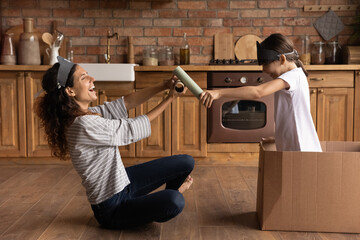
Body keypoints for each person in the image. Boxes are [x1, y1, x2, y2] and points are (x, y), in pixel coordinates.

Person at [34, 56, 195, 229]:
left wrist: (164, 85)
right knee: (175, 200)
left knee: (186, 162)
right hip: (112, 208)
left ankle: (154, 204)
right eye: (84, 78)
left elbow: (126, 102)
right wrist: (169, 99)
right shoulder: (83, 124)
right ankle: (167, 199)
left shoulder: (87, 114)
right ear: (70, 91)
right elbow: (131, 129)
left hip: (124, 182)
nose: (92, 79)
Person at [200, 33, 321, 152]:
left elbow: (258, 92)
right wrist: (278, 137)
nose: (265, 72)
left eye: (272, 73)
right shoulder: (292, 76)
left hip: (302, 147)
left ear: (282, 59)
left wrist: (218, 93)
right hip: (293, 144)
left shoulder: (294, 76)